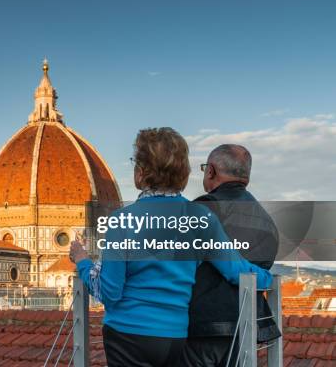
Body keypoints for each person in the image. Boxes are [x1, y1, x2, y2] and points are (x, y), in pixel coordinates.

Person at [69, 128, 273, 367]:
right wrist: (269, 279)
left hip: (126, 335)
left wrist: (82, 261)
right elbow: (236, 270)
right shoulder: (201, 218)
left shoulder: (122, 220)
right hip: (174, 336)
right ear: (183, 174)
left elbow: (108, 292)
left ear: (141, 173)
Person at [180, 145, 280, 367]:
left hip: (202, 327)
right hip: (245, 328)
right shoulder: (267, 222)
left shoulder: (204, 209)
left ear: (211, 171)